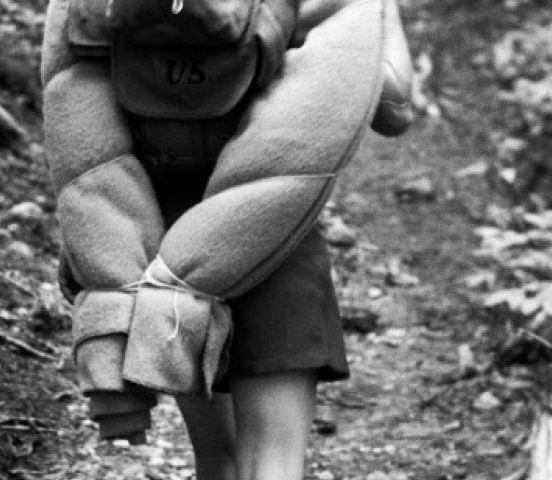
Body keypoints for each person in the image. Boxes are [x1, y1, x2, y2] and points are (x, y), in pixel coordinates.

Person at [41, 0, 414, 479]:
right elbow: (394, 109)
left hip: (159, 239)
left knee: (219, 458)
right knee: (273, 462)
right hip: (273, 229)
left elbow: (70, 102)